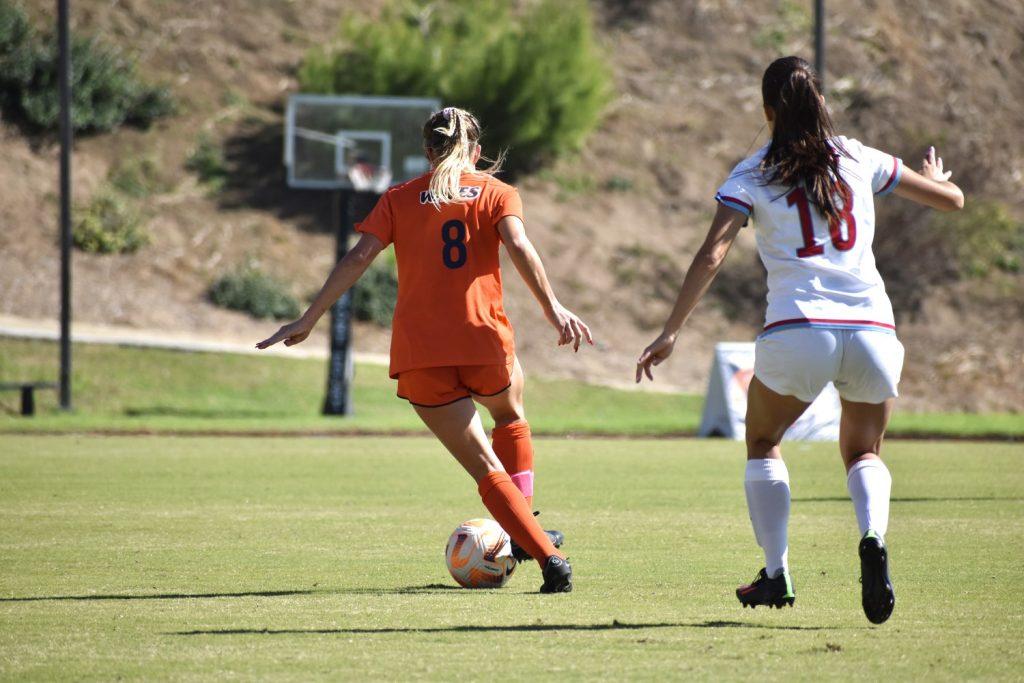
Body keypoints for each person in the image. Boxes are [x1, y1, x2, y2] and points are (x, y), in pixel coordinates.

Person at [635, 56, 964, 623]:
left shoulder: (752, 171)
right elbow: (951, 201)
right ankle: (873, 538)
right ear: (821, 104)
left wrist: (670, 332)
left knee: (763, 441)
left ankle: (776, 572)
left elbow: (713, 253)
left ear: (767, 111)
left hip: (799, 329)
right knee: (863, 452)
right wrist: (936, 182)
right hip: (872, 330)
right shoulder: (858, 156)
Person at [257, 106, 593, 593]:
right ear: (476, 152)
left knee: (483, 467)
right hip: (483, 341)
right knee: (510, 413)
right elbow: (519, 246)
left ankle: (542, 552)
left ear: (426, 151)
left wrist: (310, 319)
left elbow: (358, 258)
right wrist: (553, 306)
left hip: (421, 355)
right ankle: (526, 529)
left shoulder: (399, 198)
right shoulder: (498, 192)